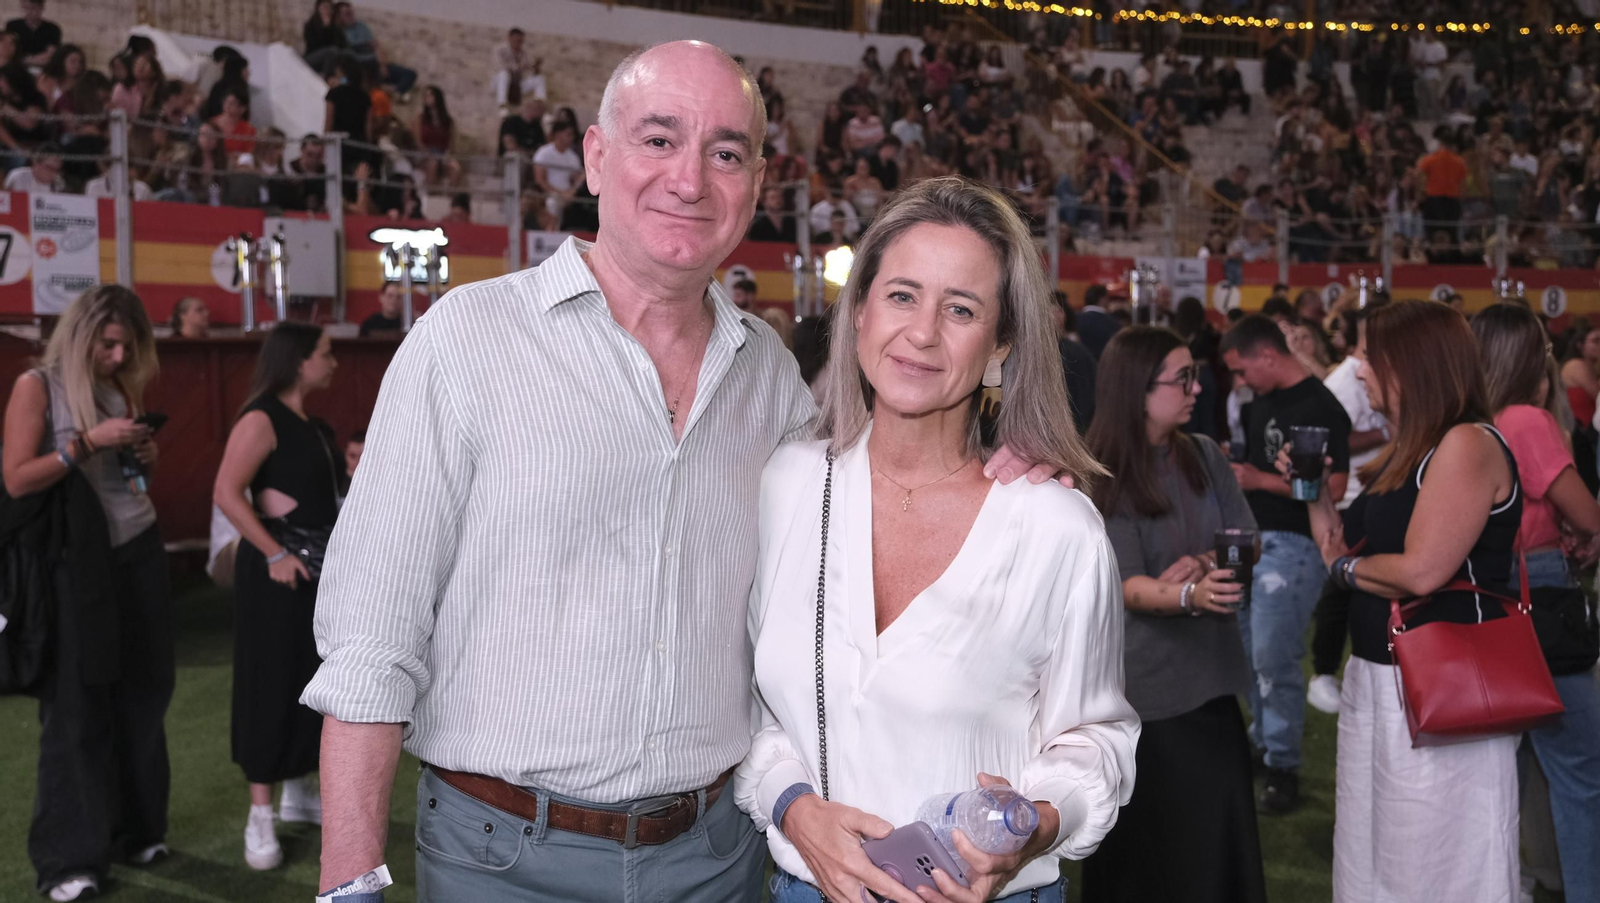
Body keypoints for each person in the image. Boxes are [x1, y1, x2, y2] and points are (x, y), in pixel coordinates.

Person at [304, 40, 1062, 903]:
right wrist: (350, 881)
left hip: (717, 859)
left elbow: (876, 495)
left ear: (758, 183)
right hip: (503, 858)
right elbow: (370, 642)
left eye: (726, 152)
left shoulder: (773, 377)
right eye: (659, 139)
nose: (691, 179)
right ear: (596, 156)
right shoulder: (465, 343)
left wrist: (1000, 464)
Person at [737, 177, 1134, 903]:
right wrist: (794, 806)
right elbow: (760, 713)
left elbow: (1095, 741)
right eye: (901, 295)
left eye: (960, 308)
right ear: (859, 311)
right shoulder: (788, 484)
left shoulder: (1056, 528)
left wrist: (1034, 826)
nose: (922, 332)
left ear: (1001, 344)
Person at [1285, 300, 1521, 902]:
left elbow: (1421, 572)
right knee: (1374, 858)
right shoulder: (1406, 452)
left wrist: (1348, 568)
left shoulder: (1466, 443)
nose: (1359, 369)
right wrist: (1310, 490)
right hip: (1379, 679)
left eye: (1369, 356)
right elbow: (1335, 548)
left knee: (1435, 863)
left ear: (1411, 364)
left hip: (1438, 687)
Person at [1081, 326, 1265, 903]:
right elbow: (1126, 585)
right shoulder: (1100, 471)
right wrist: (1190, 595)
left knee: (1214, 849)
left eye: (1195, 374)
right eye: (1182, 378)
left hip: (1211, 684)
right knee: (1154, 859)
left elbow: (1247, 537)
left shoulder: (1204, 454)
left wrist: (1203, 564)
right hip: (1144, 697)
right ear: (1137, 389)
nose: (1197, 387)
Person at [2, 285, 169, 903]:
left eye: (129, 344)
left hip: (138, 550)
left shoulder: (120, 386)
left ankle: (137, 828)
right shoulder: (36, 387)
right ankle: (68, 859)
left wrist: (143, 453)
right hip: (75, 568)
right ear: (81, 336)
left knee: (146, 692)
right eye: (109, 343)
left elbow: (133, 481)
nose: (120, 354)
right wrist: (88, 443)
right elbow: (18, 480)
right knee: (75, 709)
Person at [1472, 303, 1600, 903]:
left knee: (1511, 767)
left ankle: (1514, 883)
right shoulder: (1525, 418)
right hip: (1540, 592)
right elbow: (1586, 511)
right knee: (1580, 769)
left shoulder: (1474, 420)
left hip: (1493, 593)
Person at [212, 322, 338, 871]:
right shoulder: (262, 416)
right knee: (268, 683)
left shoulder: (315, 425)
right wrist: (272, 553)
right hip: (275, 574)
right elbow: (225, 491)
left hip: (313, 570)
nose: (332, 362)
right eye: (326, 354)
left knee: (310, 681)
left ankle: (299, 791)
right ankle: (260, 813)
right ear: (298, 360)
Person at [1220, 314, 1351, 814]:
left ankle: (1283, 765)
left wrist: (1258, 481)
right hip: (1250, 540)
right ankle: (1266, 744)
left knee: (1274, 657)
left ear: (1267, 356)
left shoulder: (1320, 405)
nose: (1240, 382)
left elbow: (1333, 488)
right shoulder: (1262, 404)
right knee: (1249, 652)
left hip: (1295, 544)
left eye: (1241, 370)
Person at [1306, 303, 1389, 715]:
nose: (1363, 372)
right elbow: (1334, 439)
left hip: (1370, 490)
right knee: (1340, 585)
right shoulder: (1345, 378)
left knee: (1349, 584)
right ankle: (1323, 672)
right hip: (1354, 492)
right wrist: (1384, 432)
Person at [336, 1, 417, 98]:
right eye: (347, 13)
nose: (351, 15)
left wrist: (383, 65)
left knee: (410, 74)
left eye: (351, 12)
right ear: (339, 16)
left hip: (375, 63)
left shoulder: (361, 26)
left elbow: (376, 46)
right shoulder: (338, 32)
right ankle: (380, 88)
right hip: (360, 67)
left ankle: (394, 92)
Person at [533, 121, 583, 227]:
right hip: (548, 193)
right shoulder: (544, 152)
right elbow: (540, 179)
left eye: (572, 135)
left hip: (568, 195)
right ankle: (551, 232)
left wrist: (571, 191)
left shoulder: (573, 158)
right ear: (558, 134)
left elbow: (576, 179)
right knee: (553, 203)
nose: (571, 138)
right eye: (568, 134)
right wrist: (559, 193)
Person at [493, 28, 546, 106]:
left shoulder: (524, 53)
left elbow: (531, 71)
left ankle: (539, 104)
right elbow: (500, 66)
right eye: (517, 40)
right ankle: (502, 104)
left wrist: (536, 67)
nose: (519, 43)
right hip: (499, 83)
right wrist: (518, 67)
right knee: (504, 74)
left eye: (521, 41)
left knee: (539, 79)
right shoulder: (500, 50)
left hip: (516, 86)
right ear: (510, 38)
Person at [5, 0, 57, 67]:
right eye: (27, 8)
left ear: (41, 7)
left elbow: (50, 54)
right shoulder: (12, 26)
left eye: (34, 8)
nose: (30, 12)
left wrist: (26, 60)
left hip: (41, 67)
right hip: (15, 67)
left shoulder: (52, 29)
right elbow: (7, 50)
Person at [303, 0, 346, 73]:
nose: (327, 10)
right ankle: (326, 78)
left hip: (333, 56)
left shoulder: (336, 27)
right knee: (331, 51)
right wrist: (325, 28)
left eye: (329, 8)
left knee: (346, 55)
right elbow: (313, 45)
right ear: (318, 9)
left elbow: (341, 45)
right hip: (312, 57)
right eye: (324, 7)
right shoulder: (310, 25)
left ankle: (343, 81)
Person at [499, 94, 546, 158]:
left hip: (531, 157)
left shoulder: (537, 126)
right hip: (517, 157)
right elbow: (510, 145)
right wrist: (526, 153)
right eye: (539, 109)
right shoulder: (511, 122)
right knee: (514, 155)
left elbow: (542, 146)